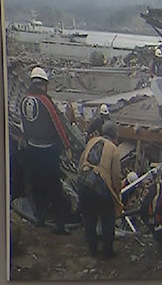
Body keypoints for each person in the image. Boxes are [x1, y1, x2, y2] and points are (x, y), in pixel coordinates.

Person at [17, 66, 72, 235]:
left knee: (37, 186)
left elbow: (24, 124)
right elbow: (58, 125)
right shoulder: (45, 102)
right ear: (44, 84)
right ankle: (59, 224)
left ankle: (39, 218)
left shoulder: (24, 100)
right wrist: (67, 147)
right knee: (54, 188)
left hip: (32, 150)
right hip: (48, 152)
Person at [77, 121, 123, 258]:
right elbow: (116, 176)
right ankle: (107, 251)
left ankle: (92, 248)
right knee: (107, 219)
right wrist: (117, 193)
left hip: (84, 183)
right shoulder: (114, 149)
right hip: (100, 186)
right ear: (115, 136)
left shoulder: (92, 141)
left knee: (89, 217)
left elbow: (81, 163)